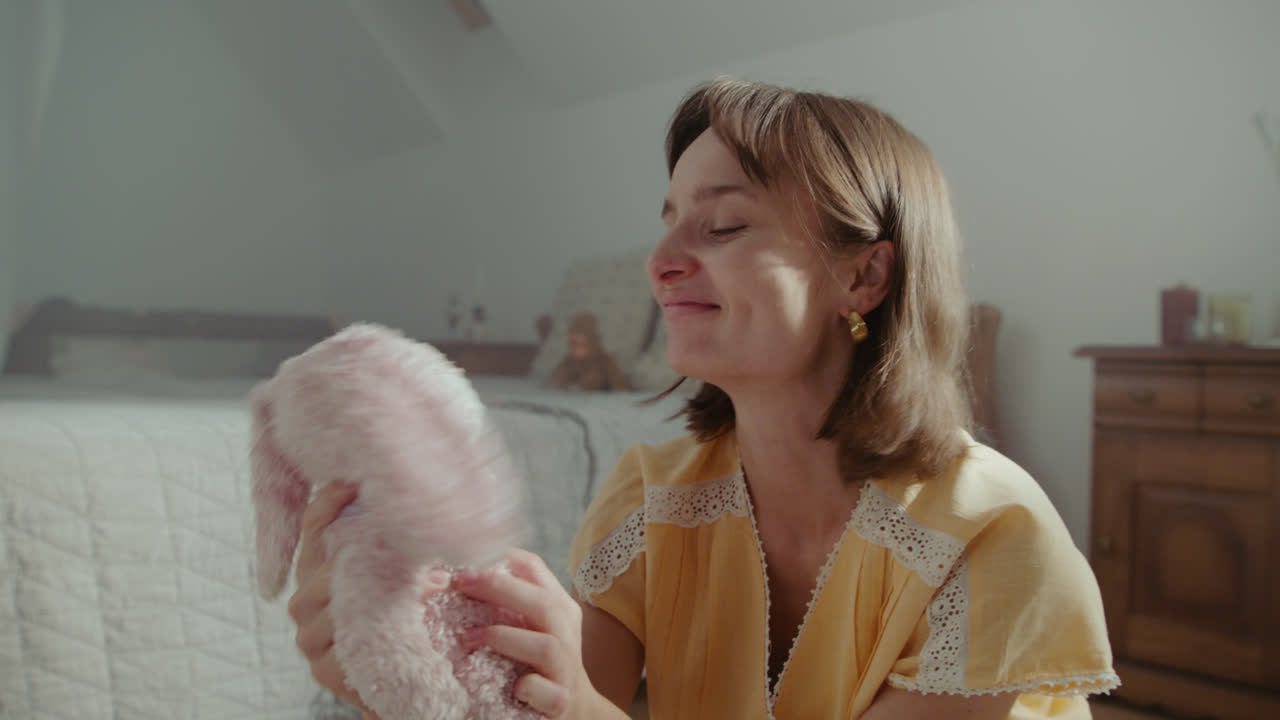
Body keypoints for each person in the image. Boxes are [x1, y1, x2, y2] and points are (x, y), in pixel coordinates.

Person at [287, 77, 1117, 719]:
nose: (661, 261)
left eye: (720, 227)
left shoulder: (995, 538)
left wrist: (580, 705)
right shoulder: (652, 497)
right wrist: (395, 669)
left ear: (863, 276)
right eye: (668, 220)